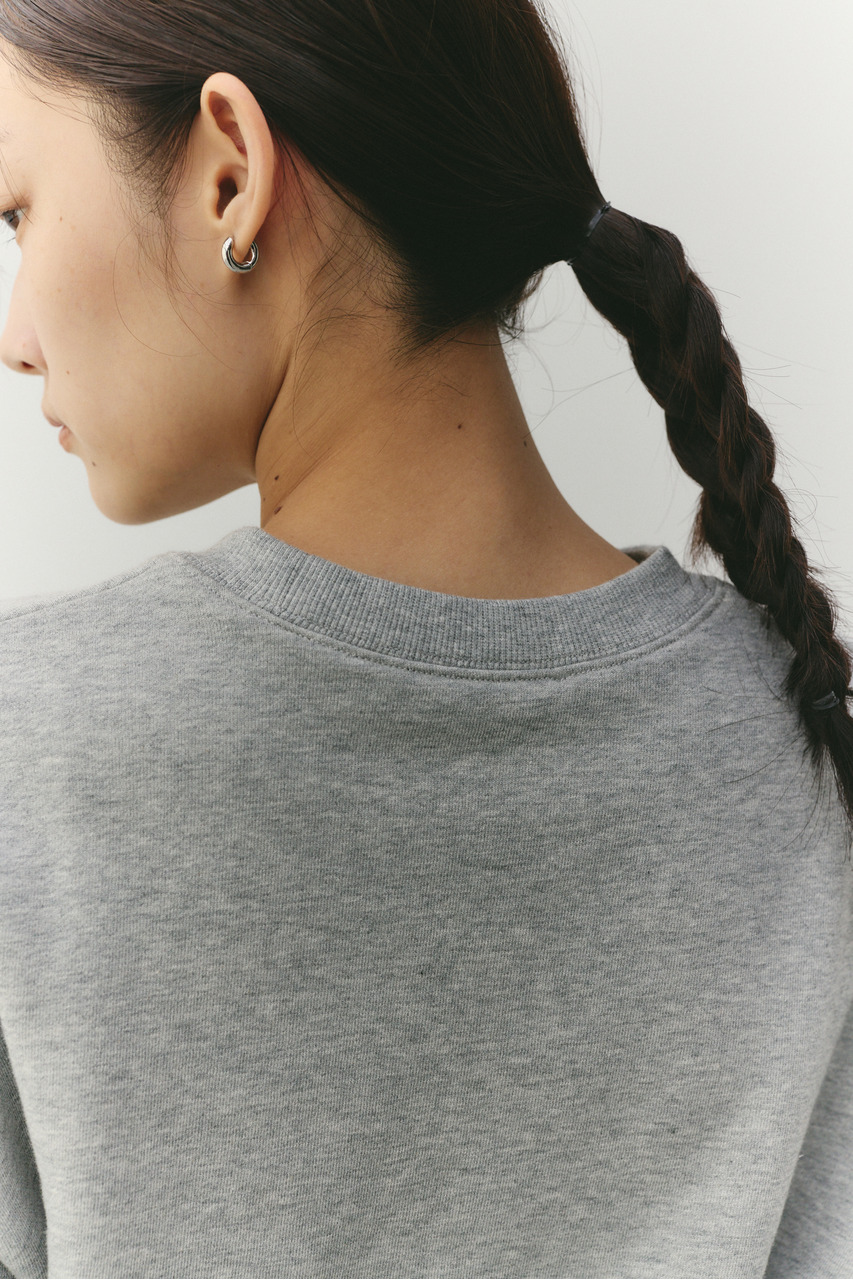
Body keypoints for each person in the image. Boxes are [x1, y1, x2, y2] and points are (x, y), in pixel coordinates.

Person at [0, 3, 850, 1278]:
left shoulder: (25, 746)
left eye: (17, 213)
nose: (14, 337)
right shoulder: (802, 746)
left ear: (230, 173)